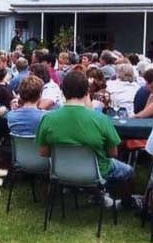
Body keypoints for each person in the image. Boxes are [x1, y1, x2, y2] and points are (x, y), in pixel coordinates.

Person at [36, 71, 134, 206]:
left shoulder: (47, 119)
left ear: (63, 92)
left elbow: (44, 153)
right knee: (127, 170)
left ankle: (97, 195)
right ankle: (126, 203)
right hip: (96, 172)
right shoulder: (101, 120)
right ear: (87, 92)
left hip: (61, 170)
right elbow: (113, 153)